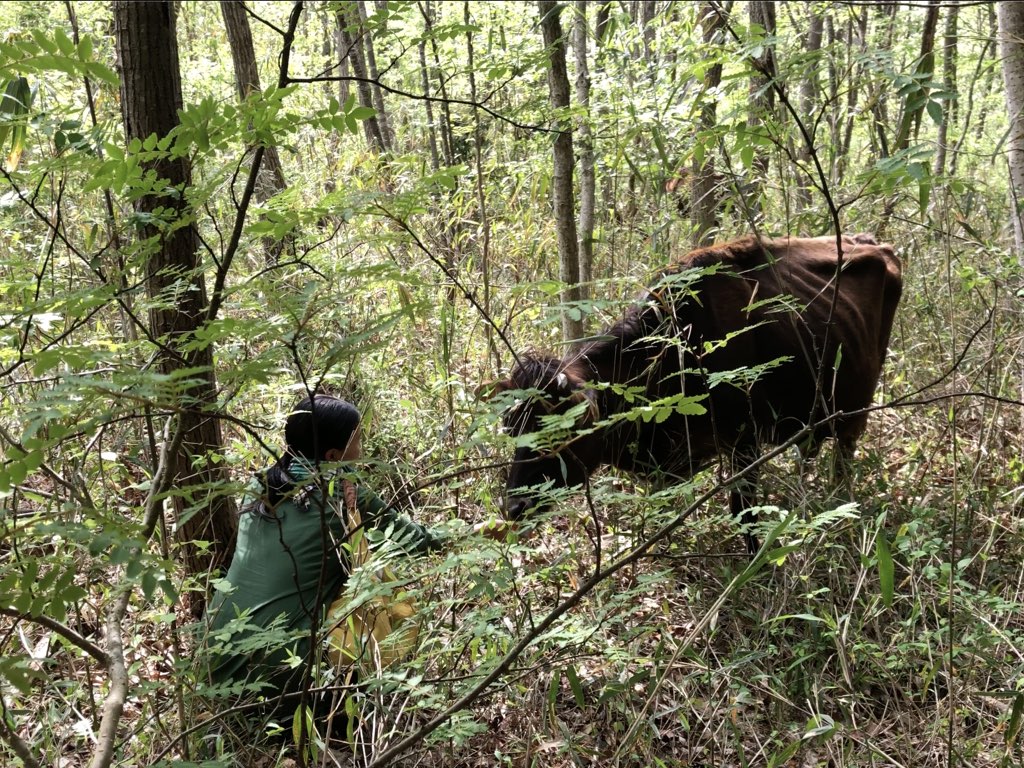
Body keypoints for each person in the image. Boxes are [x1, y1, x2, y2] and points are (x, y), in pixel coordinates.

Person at [204, 394, 444, 720]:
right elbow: (418, 542)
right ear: (333, 454)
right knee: (391, 602)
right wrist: (477, 532)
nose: (363, 445)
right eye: (358, 439)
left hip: (214, 658)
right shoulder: (344, 496)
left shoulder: (258, 482)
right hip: (283, 675)